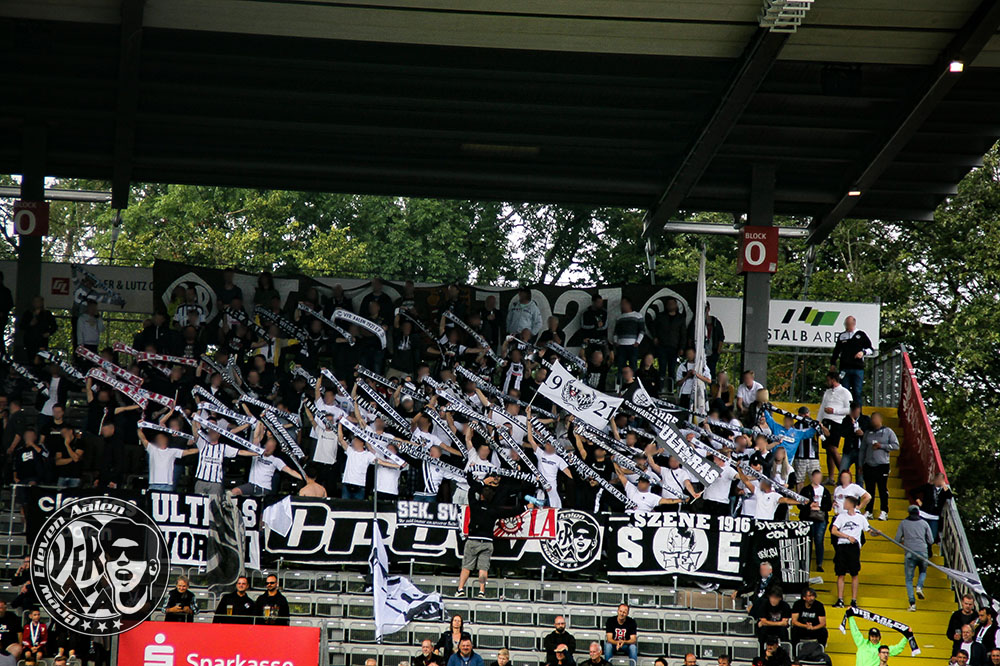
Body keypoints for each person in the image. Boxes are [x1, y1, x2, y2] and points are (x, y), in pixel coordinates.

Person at [455, 471, 525, 598]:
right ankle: (481, 592)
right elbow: (511, 513)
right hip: (487, 542)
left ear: (481, 495)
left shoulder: (474, 505)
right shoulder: (494, 509)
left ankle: (460, 589)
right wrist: (525, 508)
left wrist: (483, 482)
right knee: (483, 568)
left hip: (473, 540)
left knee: (466, 567)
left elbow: (471, 491)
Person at [831, 495, 870, 608]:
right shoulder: (841, 517)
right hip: (842, 546)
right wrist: (847, 536)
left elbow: (868, 530)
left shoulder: (860, 518)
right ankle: (840, 599)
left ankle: (854, 600)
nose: (844, 504)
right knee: (840, 573)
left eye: (846, 502)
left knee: (854, 573)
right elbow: (834, 531)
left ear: (852, 504)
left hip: (854, 547)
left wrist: (876, 532)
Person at [859, 412, 898, 521]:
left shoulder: (888, 431)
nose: (873, 421)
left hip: (882, 464)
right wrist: (860, 464)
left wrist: (882, 446)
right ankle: (869, 510)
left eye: (875, 418)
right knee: (869, 489)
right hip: (869, 464)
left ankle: (884, 511)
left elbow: (896, 445)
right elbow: (862, 449)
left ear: (880, 419)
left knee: (882, 489)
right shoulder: (868, 433)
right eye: (872, 419)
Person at [895, 504, 933, 610]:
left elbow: (897, 539)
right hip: (923, 552)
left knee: (909, 580)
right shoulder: (924, 523)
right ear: (918, 513)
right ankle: (919, 587)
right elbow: (931, 540)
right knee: (923, 571)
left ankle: (912, 604)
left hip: (910, 553)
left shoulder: (903, 523)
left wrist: (905, 540)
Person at [830, 316, 874, 405]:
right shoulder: (842, 336)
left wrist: (863, 352)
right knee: (844, 391)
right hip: (844, 367)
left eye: (848, 324)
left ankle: (858, 411)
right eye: (846, 324)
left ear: (853, 324)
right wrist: (833, 363)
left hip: (857, 368)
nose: (847, 326)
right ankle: (845, 410)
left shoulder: (861, 334)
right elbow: (836, 351)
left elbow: (871, 349)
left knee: (857, 391)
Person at [819, 372, 853, 484]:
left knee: (833, 448)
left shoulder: (845, 392)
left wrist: (835, 411)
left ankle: (845, 474)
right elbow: (822, 407)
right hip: (826, 421)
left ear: (833, 380)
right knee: (828, 450)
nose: (827, 382)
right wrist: (818, 421)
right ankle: (831, 477)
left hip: (837, 422)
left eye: (828, 380)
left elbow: (849, 409)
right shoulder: (827, 392)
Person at [801, 470, 833, 572]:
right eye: (817, 477)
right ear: (812, 477)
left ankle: (819, 564)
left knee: (819, 540)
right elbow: (799, 504)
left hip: (821, 518)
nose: (818, 479)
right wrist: (809, 505)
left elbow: (829, 506)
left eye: (820, 478)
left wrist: (819, 507)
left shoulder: (825, 491)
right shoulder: (806, 490)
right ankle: (806, 564)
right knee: (807, 541)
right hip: (807, 518)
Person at [911, 472, 952, 551]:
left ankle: (926, 549)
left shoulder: (944, 491)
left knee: (932, 536)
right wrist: (919, 501)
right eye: (938, 479)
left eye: (941, 480)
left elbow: (949, 496)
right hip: (924, 514)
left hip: (935, 517)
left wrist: (944, 485)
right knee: (920, 532)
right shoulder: (928, 487)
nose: (939, 481)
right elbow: (913, 492)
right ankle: (920, 549)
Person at [652, 297, 685, 391]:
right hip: (662, 345)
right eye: (669, 304)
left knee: (672, 369)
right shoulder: (661, 316)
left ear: (676, 305)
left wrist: (682, 347)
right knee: (662, 368)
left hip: (674, 346)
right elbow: (653, 326)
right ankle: (660, 389)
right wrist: (655, 337)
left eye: (672, 303)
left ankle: (671, 390)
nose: (671, 305)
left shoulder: (680, 318)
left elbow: (683, 334)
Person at [754, 587, 792, 654]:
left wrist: (767, 622)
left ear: (780, 598)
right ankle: (761, 653)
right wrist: (779, 623)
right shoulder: (764, 604)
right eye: (772, 597)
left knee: (784, 631)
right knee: (762, 630)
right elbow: (763, 622)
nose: (773, 600)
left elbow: (784, 623)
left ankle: (785, 653)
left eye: (776, 598)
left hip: (779, 629)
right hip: (767, 628)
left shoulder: (785, 606)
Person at [612, 296, 644, 376]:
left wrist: (638, 342)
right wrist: (616, 342)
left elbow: (642, 330)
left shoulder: (638, 316)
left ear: (629, 304)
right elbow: (616, 332)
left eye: (624, 303)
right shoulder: (619, 317)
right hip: (621, 345)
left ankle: (633, 381)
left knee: (633, 365)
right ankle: (620, 381)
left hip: (632, 344)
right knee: (620, 365)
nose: (622, 306)